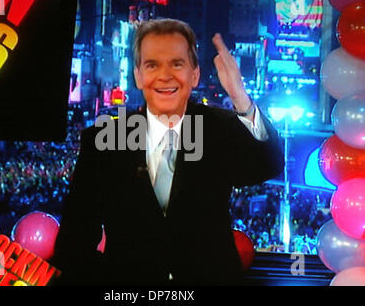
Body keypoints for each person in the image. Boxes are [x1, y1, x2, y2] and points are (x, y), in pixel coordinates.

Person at [51, 18, 284, 285]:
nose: (165, 75)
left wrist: (239, 95)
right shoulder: (104, 141)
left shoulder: (220, 129)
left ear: (194, 74)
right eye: (152, 65)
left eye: (176, 63)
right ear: (138, 75)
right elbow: (75, 243)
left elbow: (269, 165)